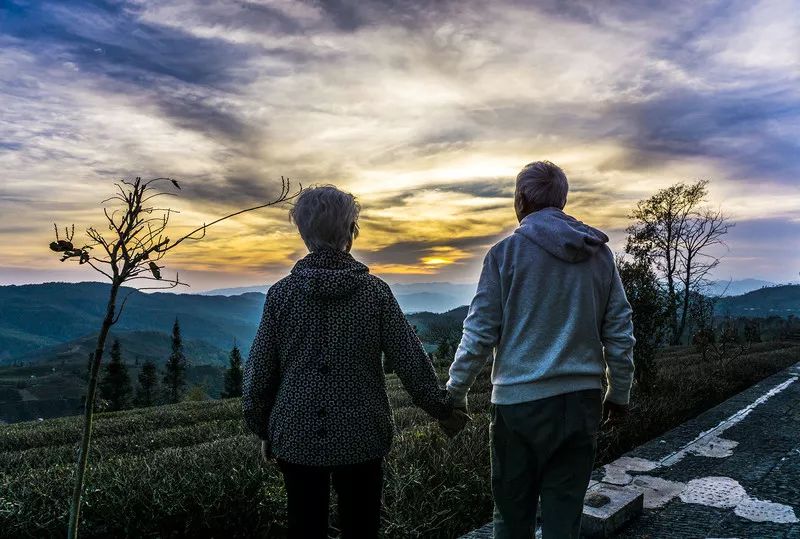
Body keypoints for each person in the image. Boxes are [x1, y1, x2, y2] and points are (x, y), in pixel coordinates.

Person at [242, 185, 469, 539]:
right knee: (362, 527)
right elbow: (411, 362)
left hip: (295, 434)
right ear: (350, 231)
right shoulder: (375, 293)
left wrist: (264, 427)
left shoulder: (280, 295)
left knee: (304, 526)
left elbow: (258, 373)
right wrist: (444, 410)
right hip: (363, 434)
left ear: (303, 233)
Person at [444, 161, 635, 539]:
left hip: (518, 405)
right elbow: (619, 328)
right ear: (562, 200)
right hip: (581, 401)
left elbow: (480, 332)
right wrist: (620, 391)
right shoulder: (598, 254)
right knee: (564, 516)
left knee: (513, 516)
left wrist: (454, 392)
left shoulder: (504, 255)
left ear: (521, 199)